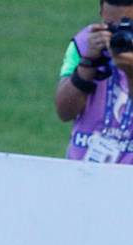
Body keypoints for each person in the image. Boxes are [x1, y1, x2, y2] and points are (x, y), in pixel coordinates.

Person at [56, 0, 133, 163]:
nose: (118, 35)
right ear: (101, 13)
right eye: (111, 25)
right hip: (84, 171)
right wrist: (88, 63)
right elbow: (64, 112)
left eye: (127, 26)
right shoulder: (83, 43)